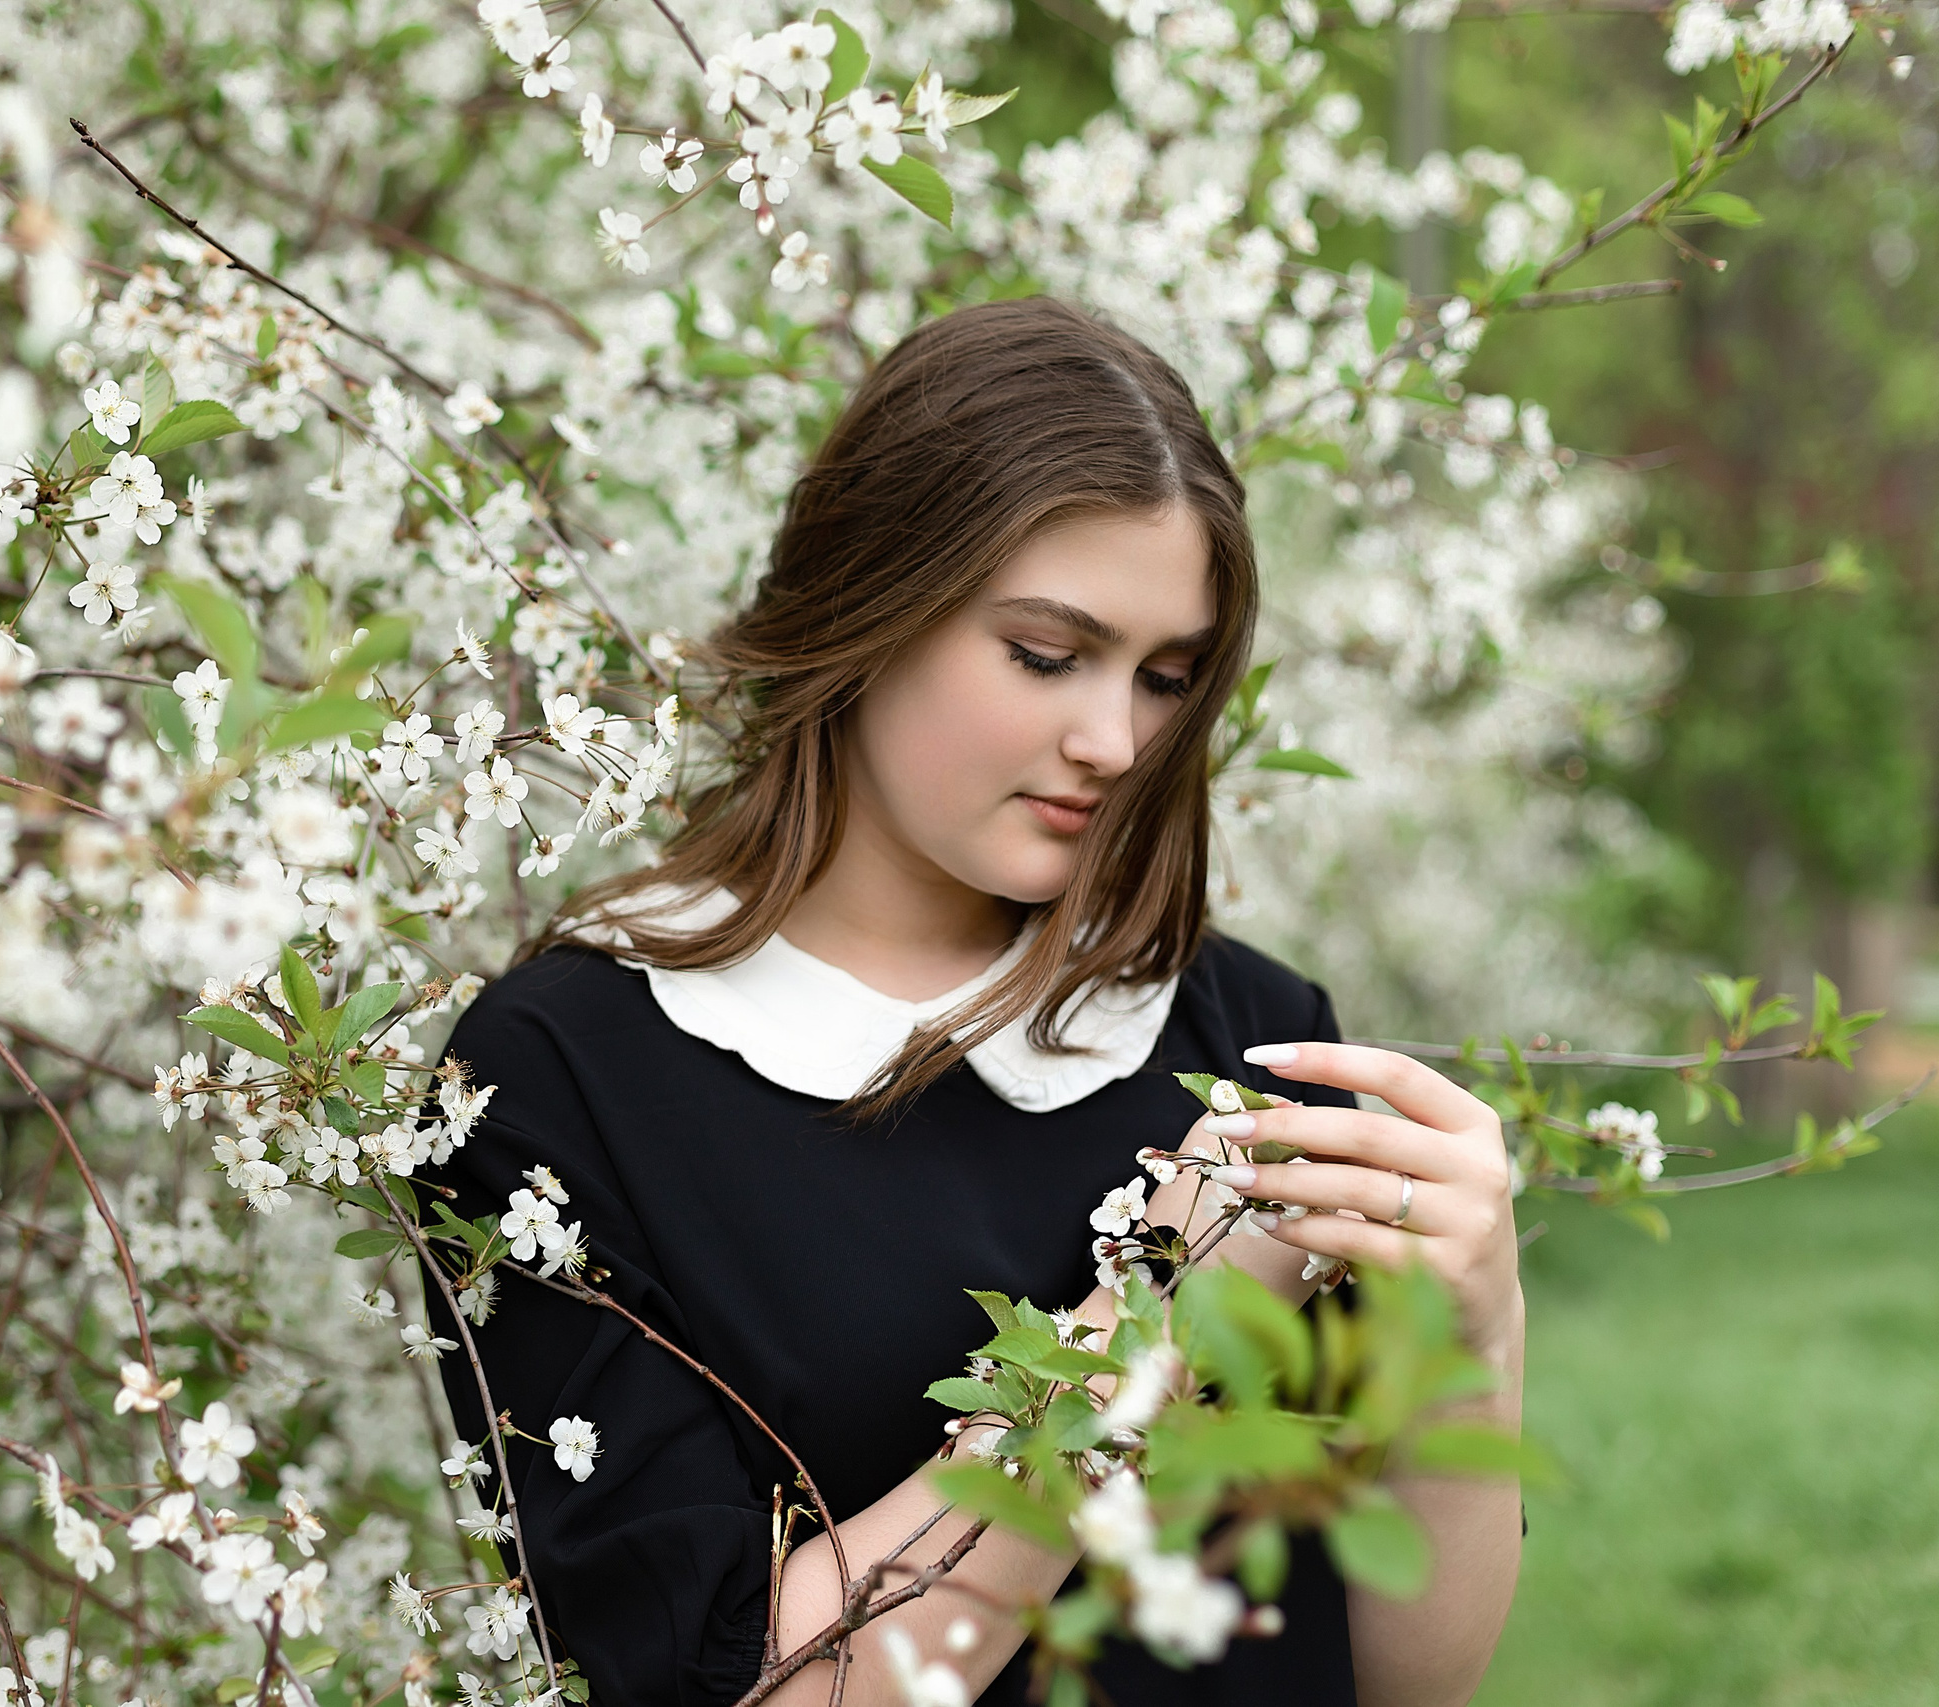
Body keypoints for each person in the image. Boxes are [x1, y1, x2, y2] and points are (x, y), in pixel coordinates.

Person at [415, 297, 1524, 1707]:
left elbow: (1403, 1682)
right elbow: (742, 1694)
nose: (1113, 740)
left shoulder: (1244, 1034)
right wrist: (1141, 1338)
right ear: (870, 599)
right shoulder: (561, 1082)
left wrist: (1481, 1340)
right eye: (1048, 654)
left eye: (1167, 676)